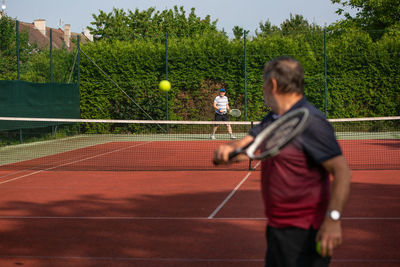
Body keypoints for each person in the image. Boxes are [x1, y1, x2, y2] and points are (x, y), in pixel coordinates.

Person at [213, 57, 351, 267]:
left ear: (273, 85)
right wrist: (228, 151)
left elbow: (342, 171)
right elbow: (249, 145)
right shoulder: (274, 118)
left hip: (305, 232)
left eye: (263, 83)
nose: (262, 88)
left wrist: (332, 220)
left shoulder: (311, 121)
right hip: (277, 227)